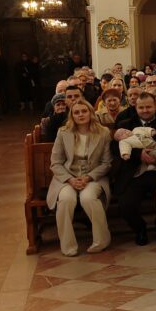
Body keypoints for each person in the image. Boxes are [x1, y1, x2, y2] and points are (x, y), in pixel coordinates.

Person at [112, 91, 156, 245]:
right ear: (136, 107)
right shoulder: (125, 125)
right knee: (126, 204)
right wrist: (138, 155)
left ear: (155, 106)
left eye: (148, 107)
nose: (145, 110)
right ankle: (140, 229)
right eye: (141, 107)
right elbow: (115, 150)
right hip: (135, 172)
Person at [48, 99, 113, 256]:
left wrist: (88, 177)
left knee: (88, 198)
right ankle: (68, 245)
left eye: (84, 111)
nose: (80, 115)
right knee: (66, 200)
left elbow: (107, 163)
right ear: (72, 115)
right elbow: (55, 163)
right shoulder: (63, 132)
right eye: (76, 112)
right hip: (67, 176)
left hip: (93, 175)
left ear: (91, 113)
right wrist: (70, 179)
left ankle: (101, 240)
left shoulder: (103, 132)